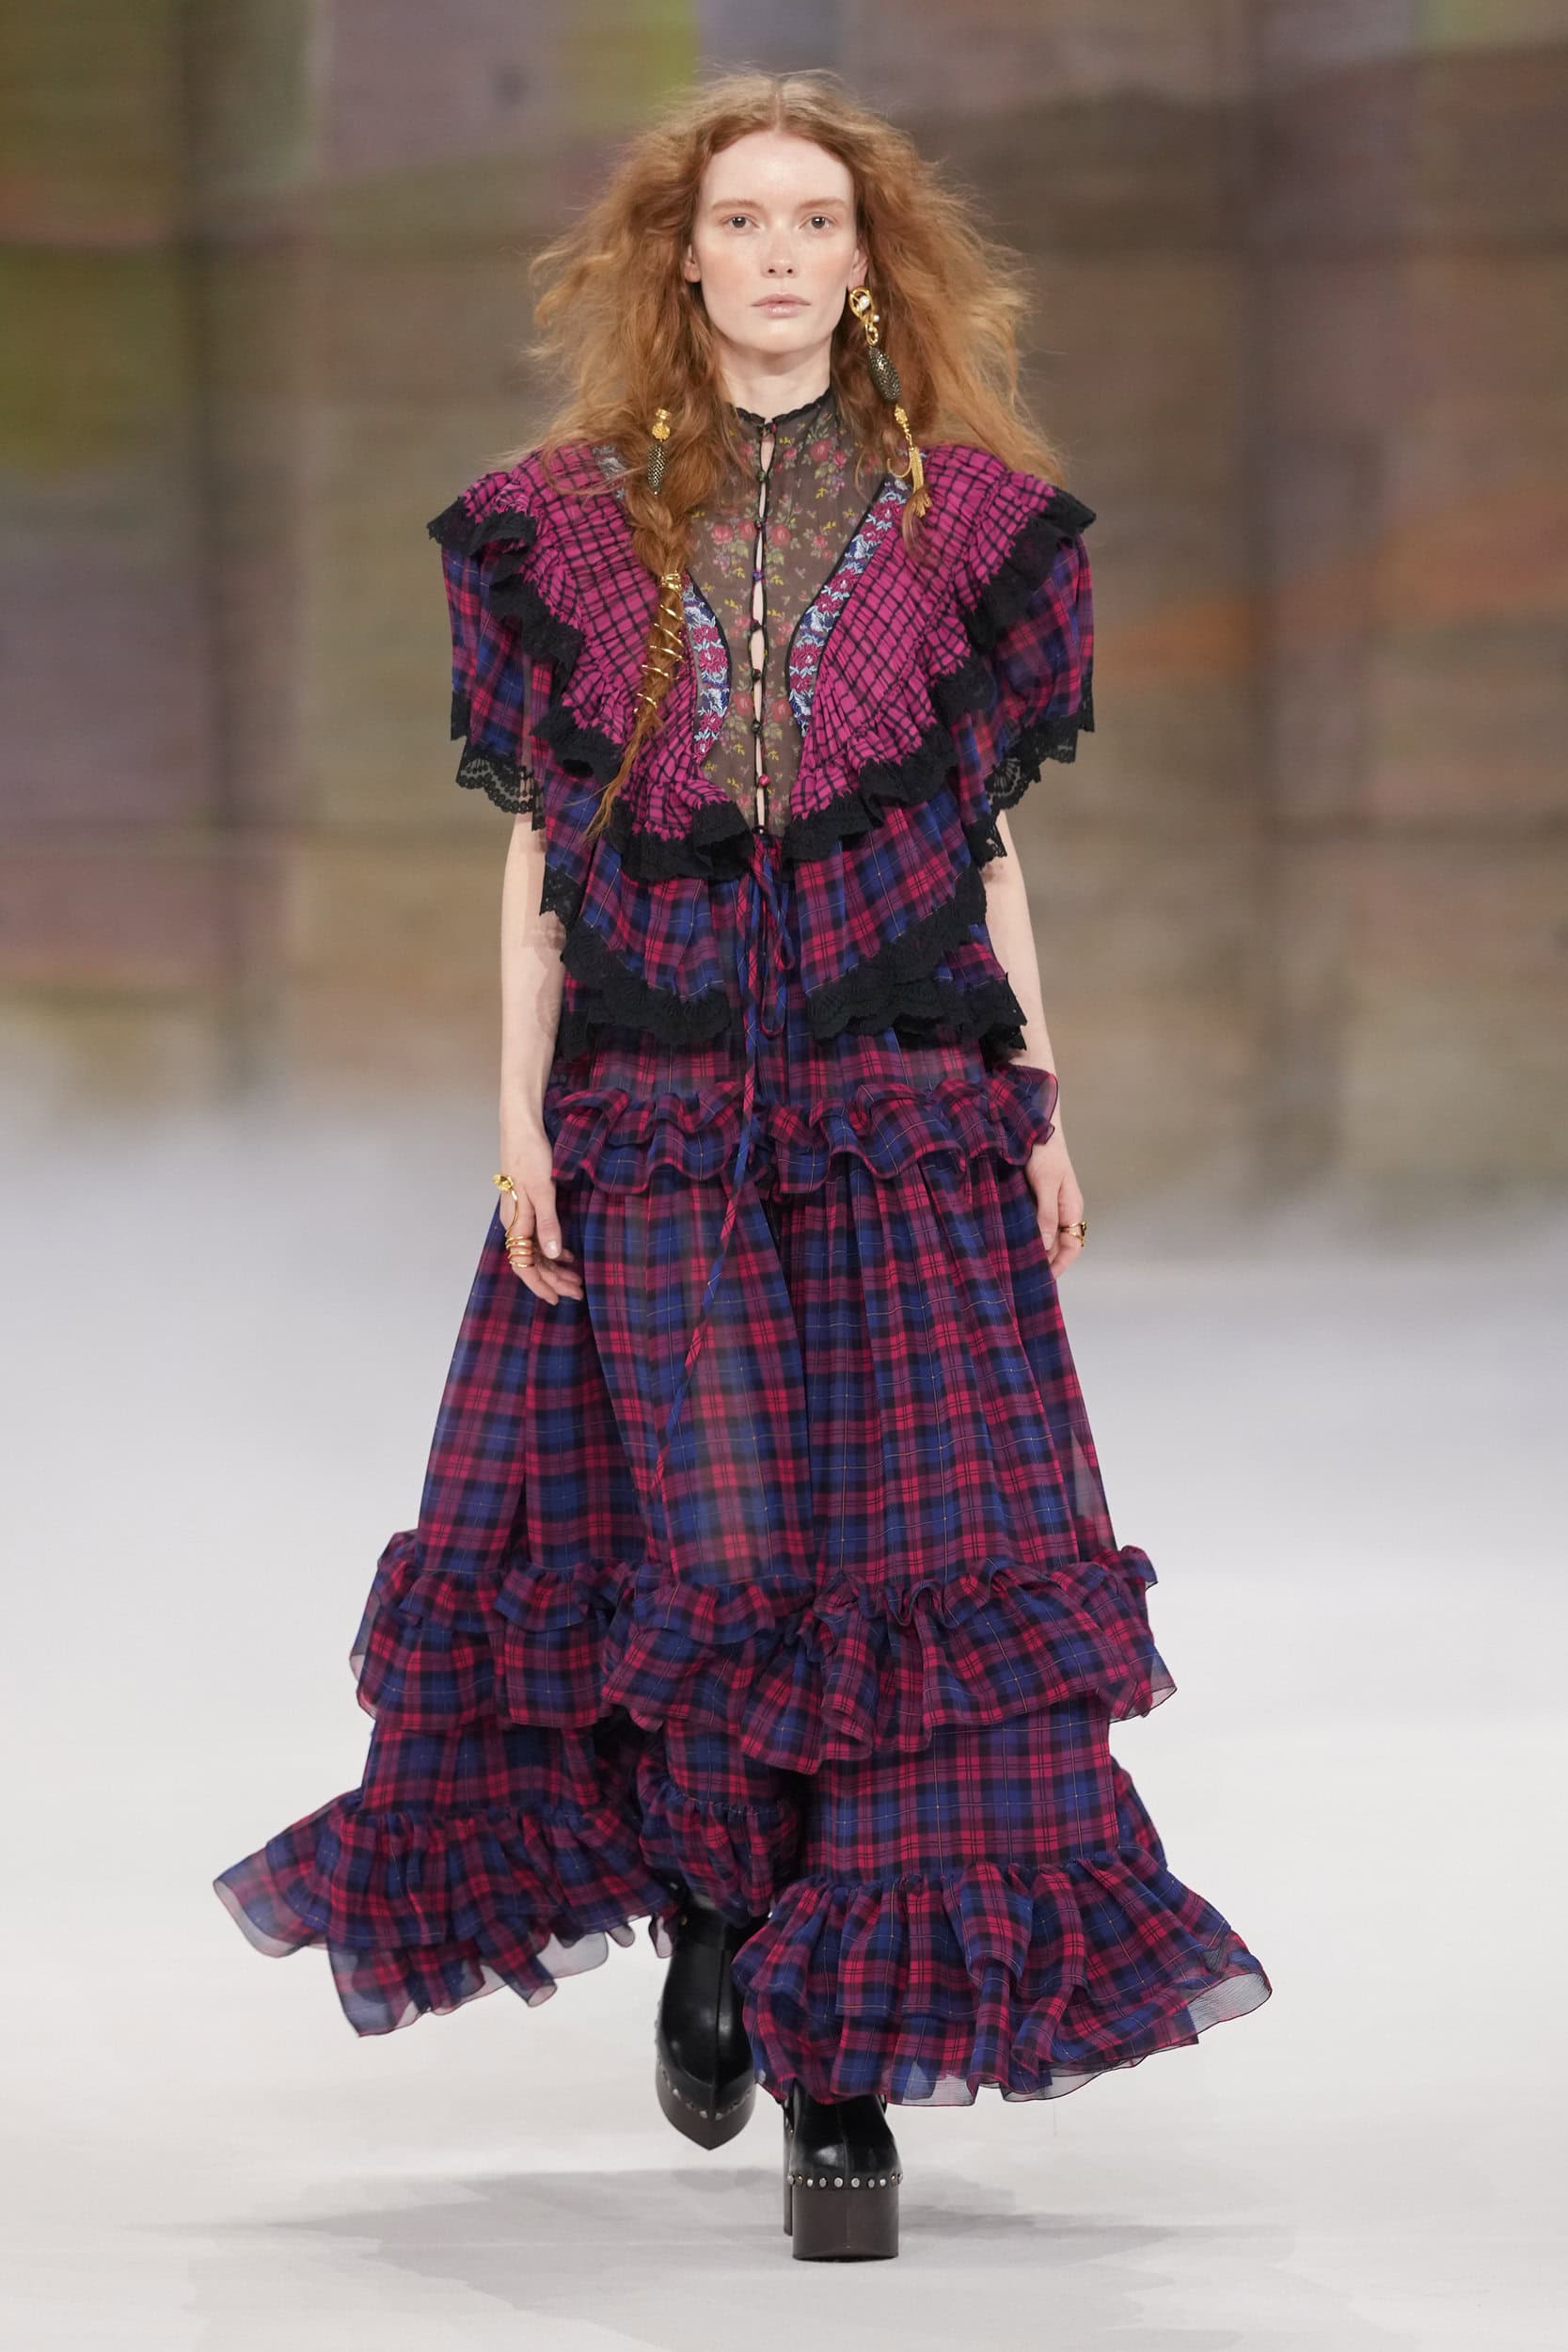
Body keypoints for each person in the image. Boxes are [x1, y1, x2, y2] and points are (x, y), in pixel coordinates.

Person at [213, 70, 1272, 2263]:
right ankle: (715, 1906)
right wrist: (517, 1109)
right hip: (663, 1108)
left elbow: (981, 848)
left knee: (904, 1565)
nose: (780, 254)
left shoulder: (974, 529)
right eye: (742, 220)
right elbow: (543, 846)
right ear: (677, 259)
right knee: (717, 1545)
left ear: (866, 265)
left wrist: (1044, 1093)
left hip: (906, 1110)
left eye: (816, 221)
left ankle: (838, 2079)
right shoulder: (559, 524)